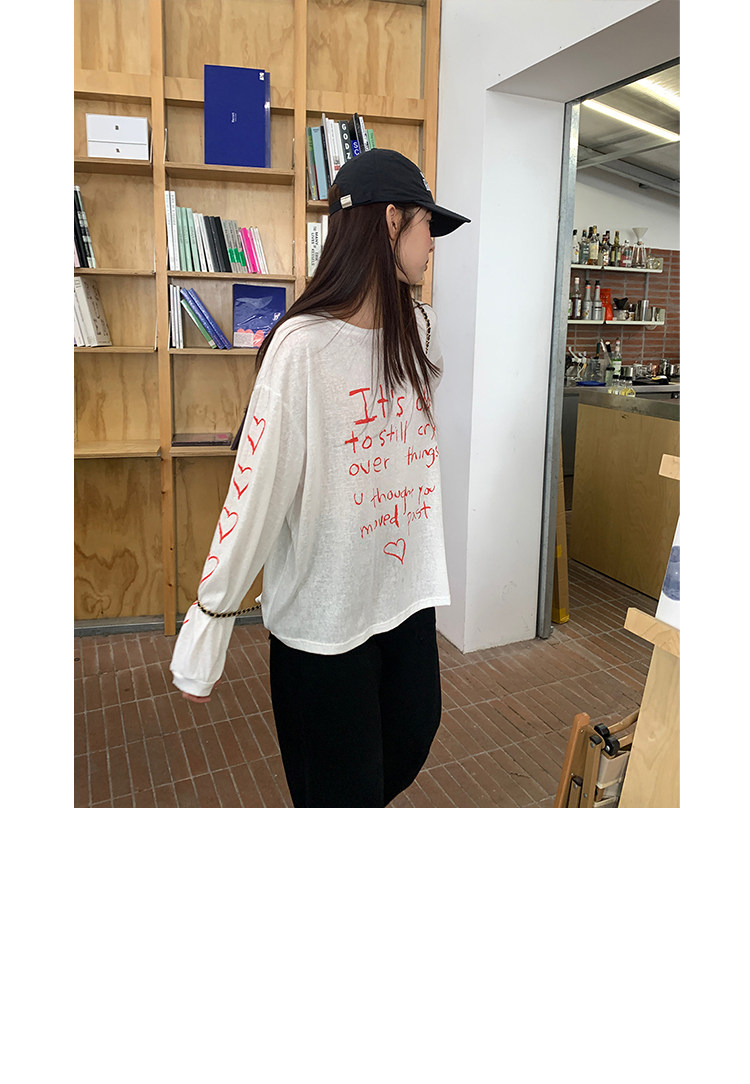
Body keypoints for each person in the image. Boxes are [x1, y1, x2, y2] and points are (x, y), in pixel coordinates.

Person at [170, 148, 470, 807]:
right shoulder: (301, 347)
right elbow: (256, 490)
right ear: (391, 221)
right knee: (337, 791)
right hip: (324, 617)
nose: (432, 246)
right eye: (427, 226)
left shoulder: (418, 330)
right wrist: (212, 617)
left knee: (413, 735)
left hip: (403, 595)